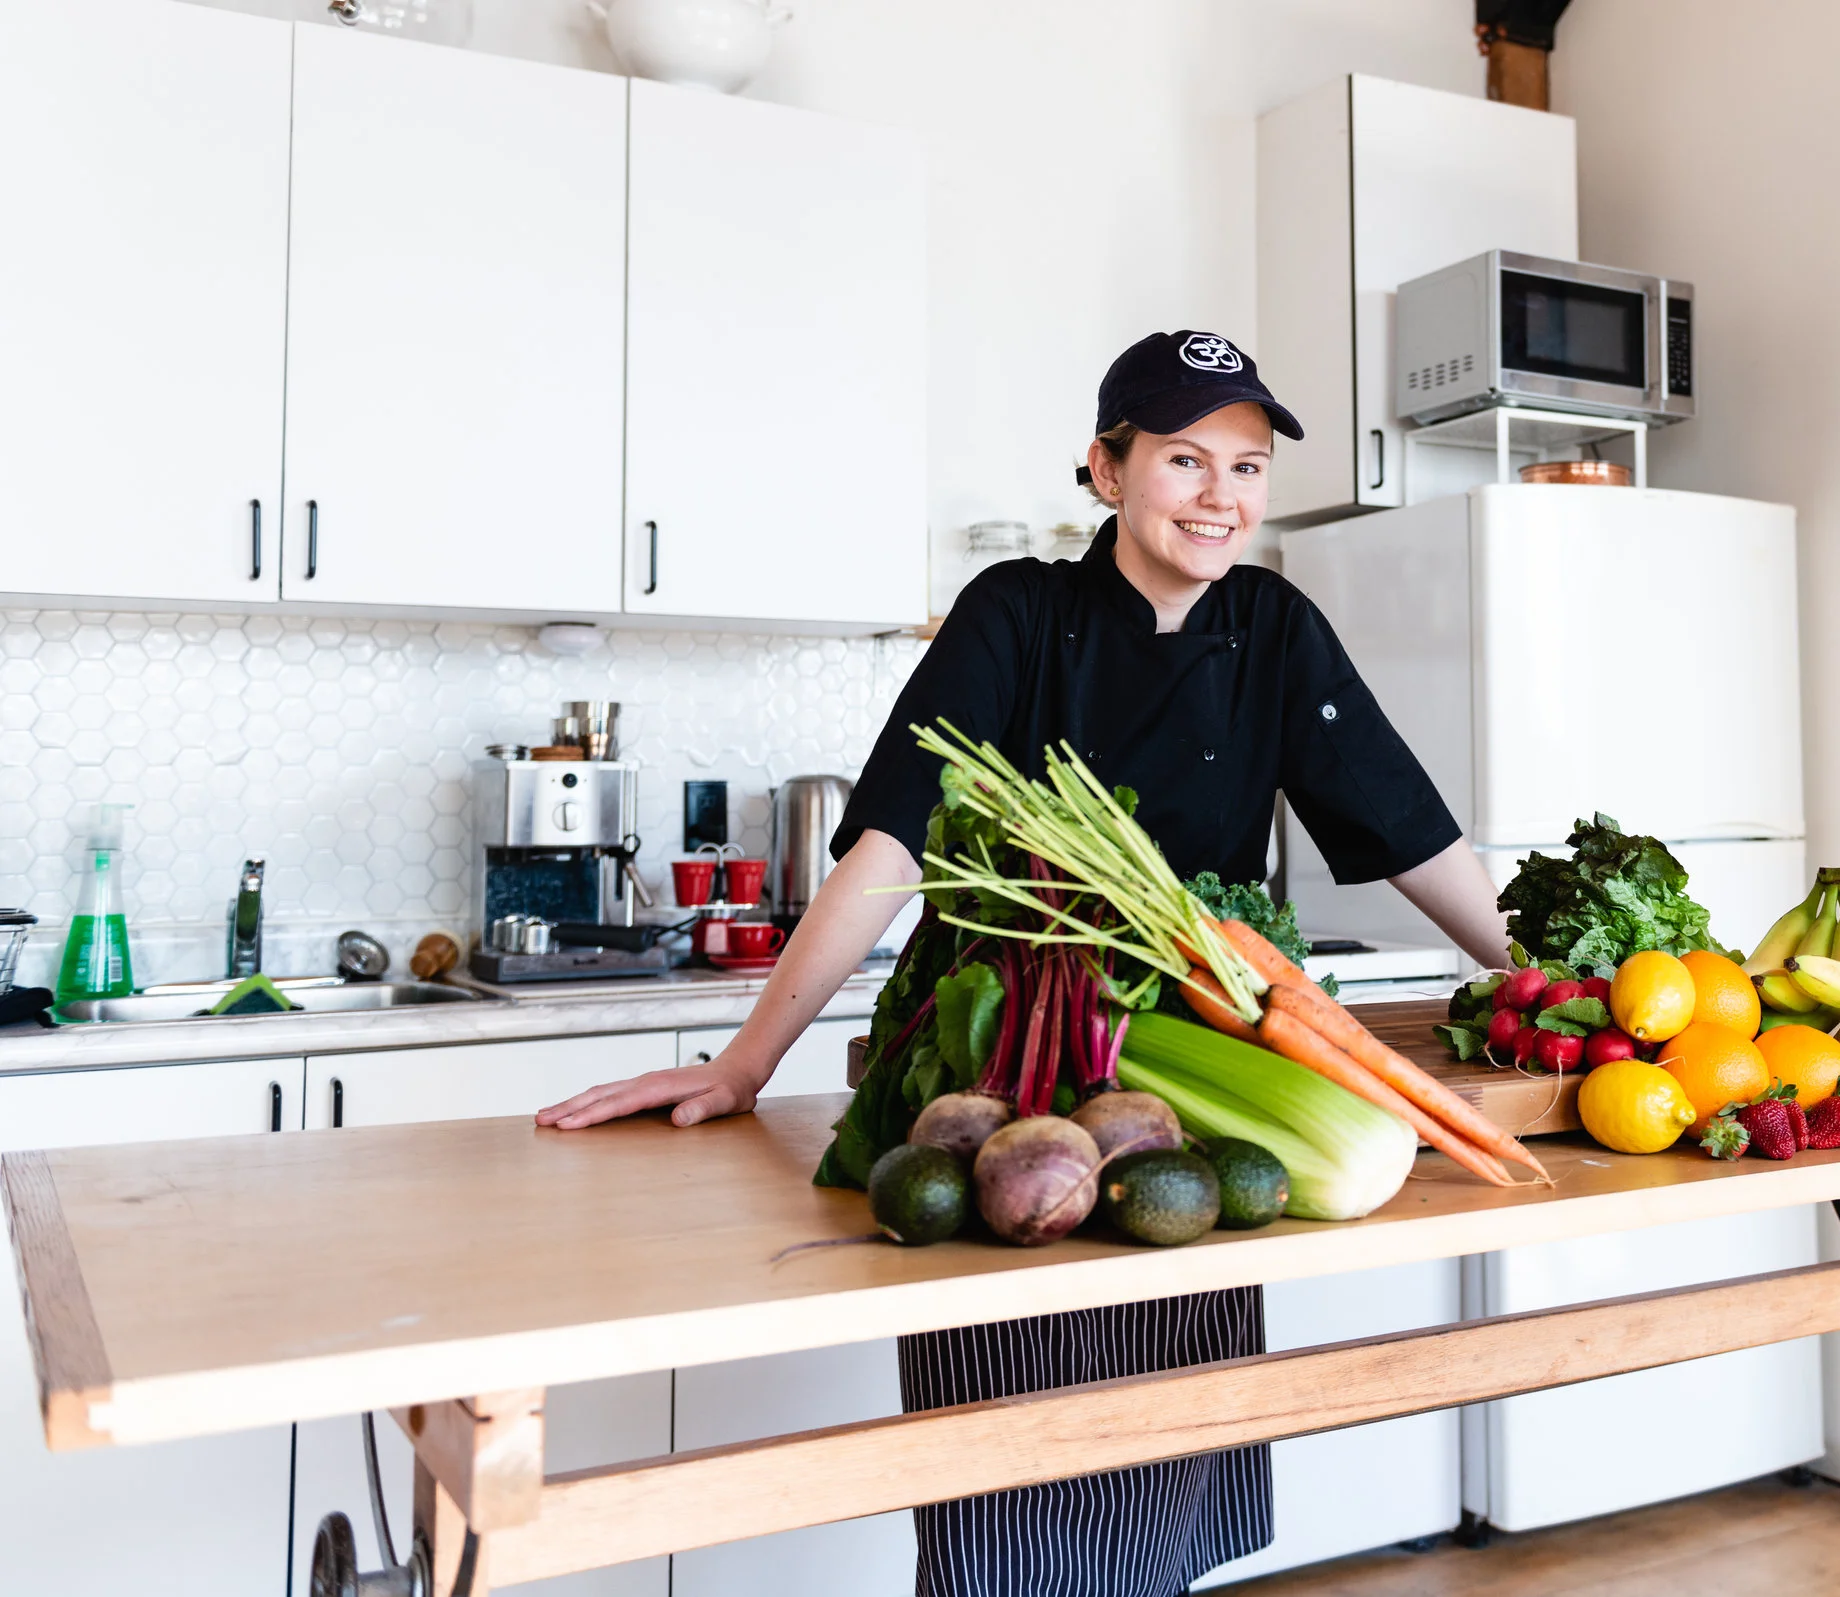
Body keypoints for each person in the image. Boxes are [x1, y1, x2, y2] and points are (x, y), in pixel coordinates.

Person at [538, 329, 1512, 1597]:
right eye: (1183, 459)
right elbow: (893, 840)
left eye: (1246, 466)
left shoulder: (1274, 626)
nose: (1221, 495)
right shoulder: (1018, 612)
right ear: (1105, 469)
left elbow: (1409, 828)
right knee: (1013, 1460)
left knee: (1168, 1434)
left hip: (1190, 1072)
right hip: (1008, 1065)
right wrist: (746, 1062)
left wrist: (1542, 979)